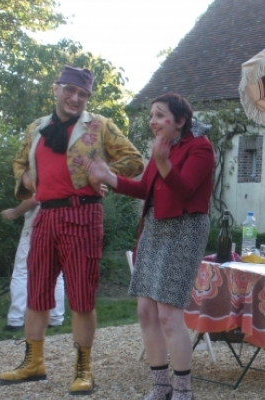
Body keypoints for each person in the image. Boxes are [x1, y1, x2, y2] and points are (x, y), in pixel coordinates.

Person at [0, 65, 144, 395]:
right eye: (70, 90)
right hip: (44, 216)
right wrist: (24, 178)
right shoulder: (36, 128)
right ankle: (33, 363)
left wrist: (104, 172)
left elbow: (134, 159)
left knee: (81, 296)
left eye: (83, 94)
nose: (75, 98)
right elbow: (19, 162)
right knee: (37, 292)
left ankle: (83, 369)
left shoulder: (99, 125)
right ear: (56, 89)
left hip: (83, 215)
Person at [86, 93, 215, 400]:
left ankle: (183, 390)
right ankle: (161, 386)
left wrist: (163, 162)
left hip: (185, 229)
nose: (152, 121)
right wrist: (108, 176)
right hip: (155, 228)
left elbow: (185, 190)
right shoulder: (163, 148)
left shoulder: (200, 147)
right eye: (151, 115)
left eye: (159, 115)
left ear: (180, 121)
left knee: (168, 314)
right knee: (146, 311)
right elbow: (146, 188)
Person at [1, 197, 65, 331]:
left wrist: (14, 212)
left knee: (22, 271)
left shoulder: (40, 181)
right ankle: (55, 318)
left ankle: (15, 320)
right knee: (56, 272)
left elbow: (35, 198)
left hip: (40, 217)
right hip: (63, 218)